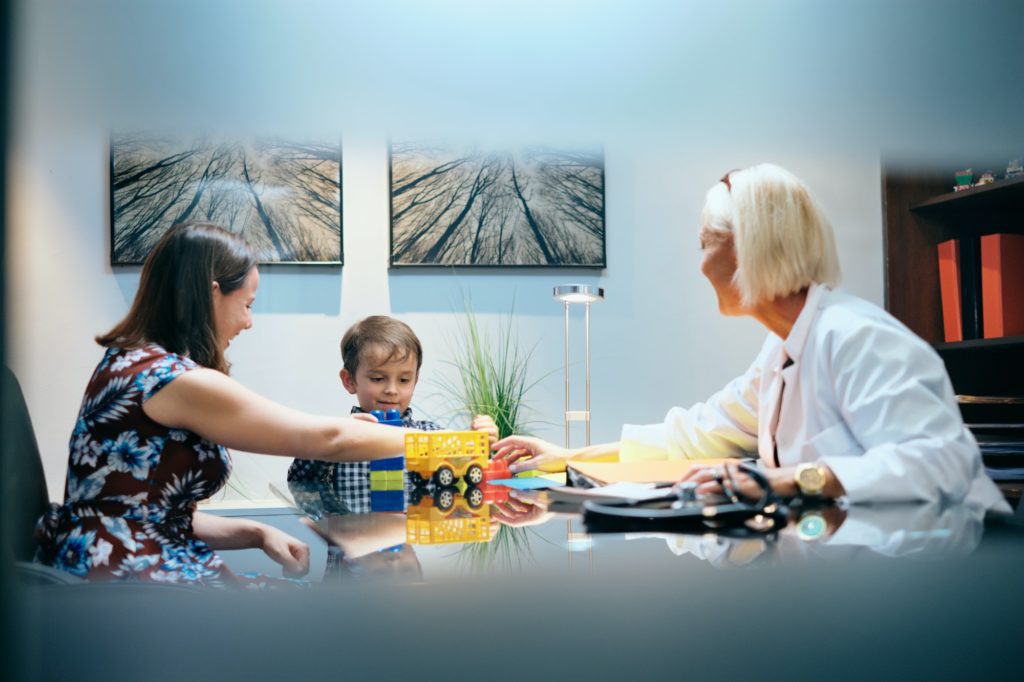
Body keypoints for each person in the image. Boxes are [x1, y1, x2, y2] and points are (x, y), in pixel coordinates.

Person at [493, 164, 1008, 510]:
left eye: (705, 245)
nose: (699, 268)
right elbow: (694, 435)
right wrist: (567, 456)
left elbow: (938, 464)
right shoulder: (781, 350)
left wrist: (786, 480)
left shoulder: (857, 337)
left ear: (749, 248)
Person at [35, 222, 416, 586]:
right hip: (131, 580)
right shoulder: (174, 380)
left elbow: (144, 512)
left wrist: (256, 532)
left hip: (110, 564)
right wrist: (458, 443)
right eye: (247, 304)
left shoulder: (130, 362)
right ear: (212, 293)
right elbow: (326, 440)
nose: (248, 322)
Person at [287, 315, 498, 512]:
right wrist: (330, 442)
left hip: (405, 534)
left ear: (415, 380)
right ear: (349, 380)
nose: (392, 390)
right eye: (378, 379)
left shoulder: (429, 434)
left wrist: (480, 444)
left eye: (404, 380)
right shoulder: (340, 437)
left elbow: (470, 476)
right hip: (352, 544)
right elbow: (297, 481)